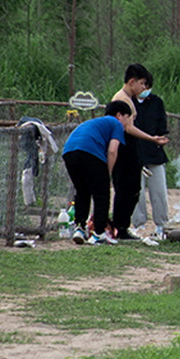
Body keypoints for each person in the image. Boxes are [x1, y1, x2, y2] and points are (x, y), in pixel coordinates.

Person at [109, 64, 169, 241]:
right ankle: (122, 227)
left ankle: (123, 227)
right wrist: (152, 138)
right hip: (126, 151)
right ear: (132, 81)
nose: (144, 88)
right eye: (142, 84)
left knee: (132, 190)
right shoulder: (122, 100)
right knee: (127, 190)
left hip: (143, 154)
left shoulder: (138, 100)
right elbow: (128, 128)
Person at [61, 101, 134, 245]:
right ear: (119, 115)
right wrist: (107, 175)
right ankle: (98, 233)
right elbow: (113, 151)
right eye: (127, 118)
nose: (127, 123)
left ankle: (79, 228)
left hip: (69, 151)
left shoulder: (96, 122)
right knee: (102, 193)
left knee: (82, 192)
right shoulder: (116, 124)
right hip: (90, 152)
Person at [129, 70, 172, 239]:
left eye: (147, 85)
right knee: (136, 192)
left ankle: (162, 226)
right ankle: (138, 225)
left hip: (155, 154)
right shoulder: (128, 102)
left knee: (159, 192)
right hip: (135, 153)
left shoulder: (157, 102)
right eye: (142, 84)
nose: (145, 88)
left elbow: (162, 127)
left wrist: (159, 139)